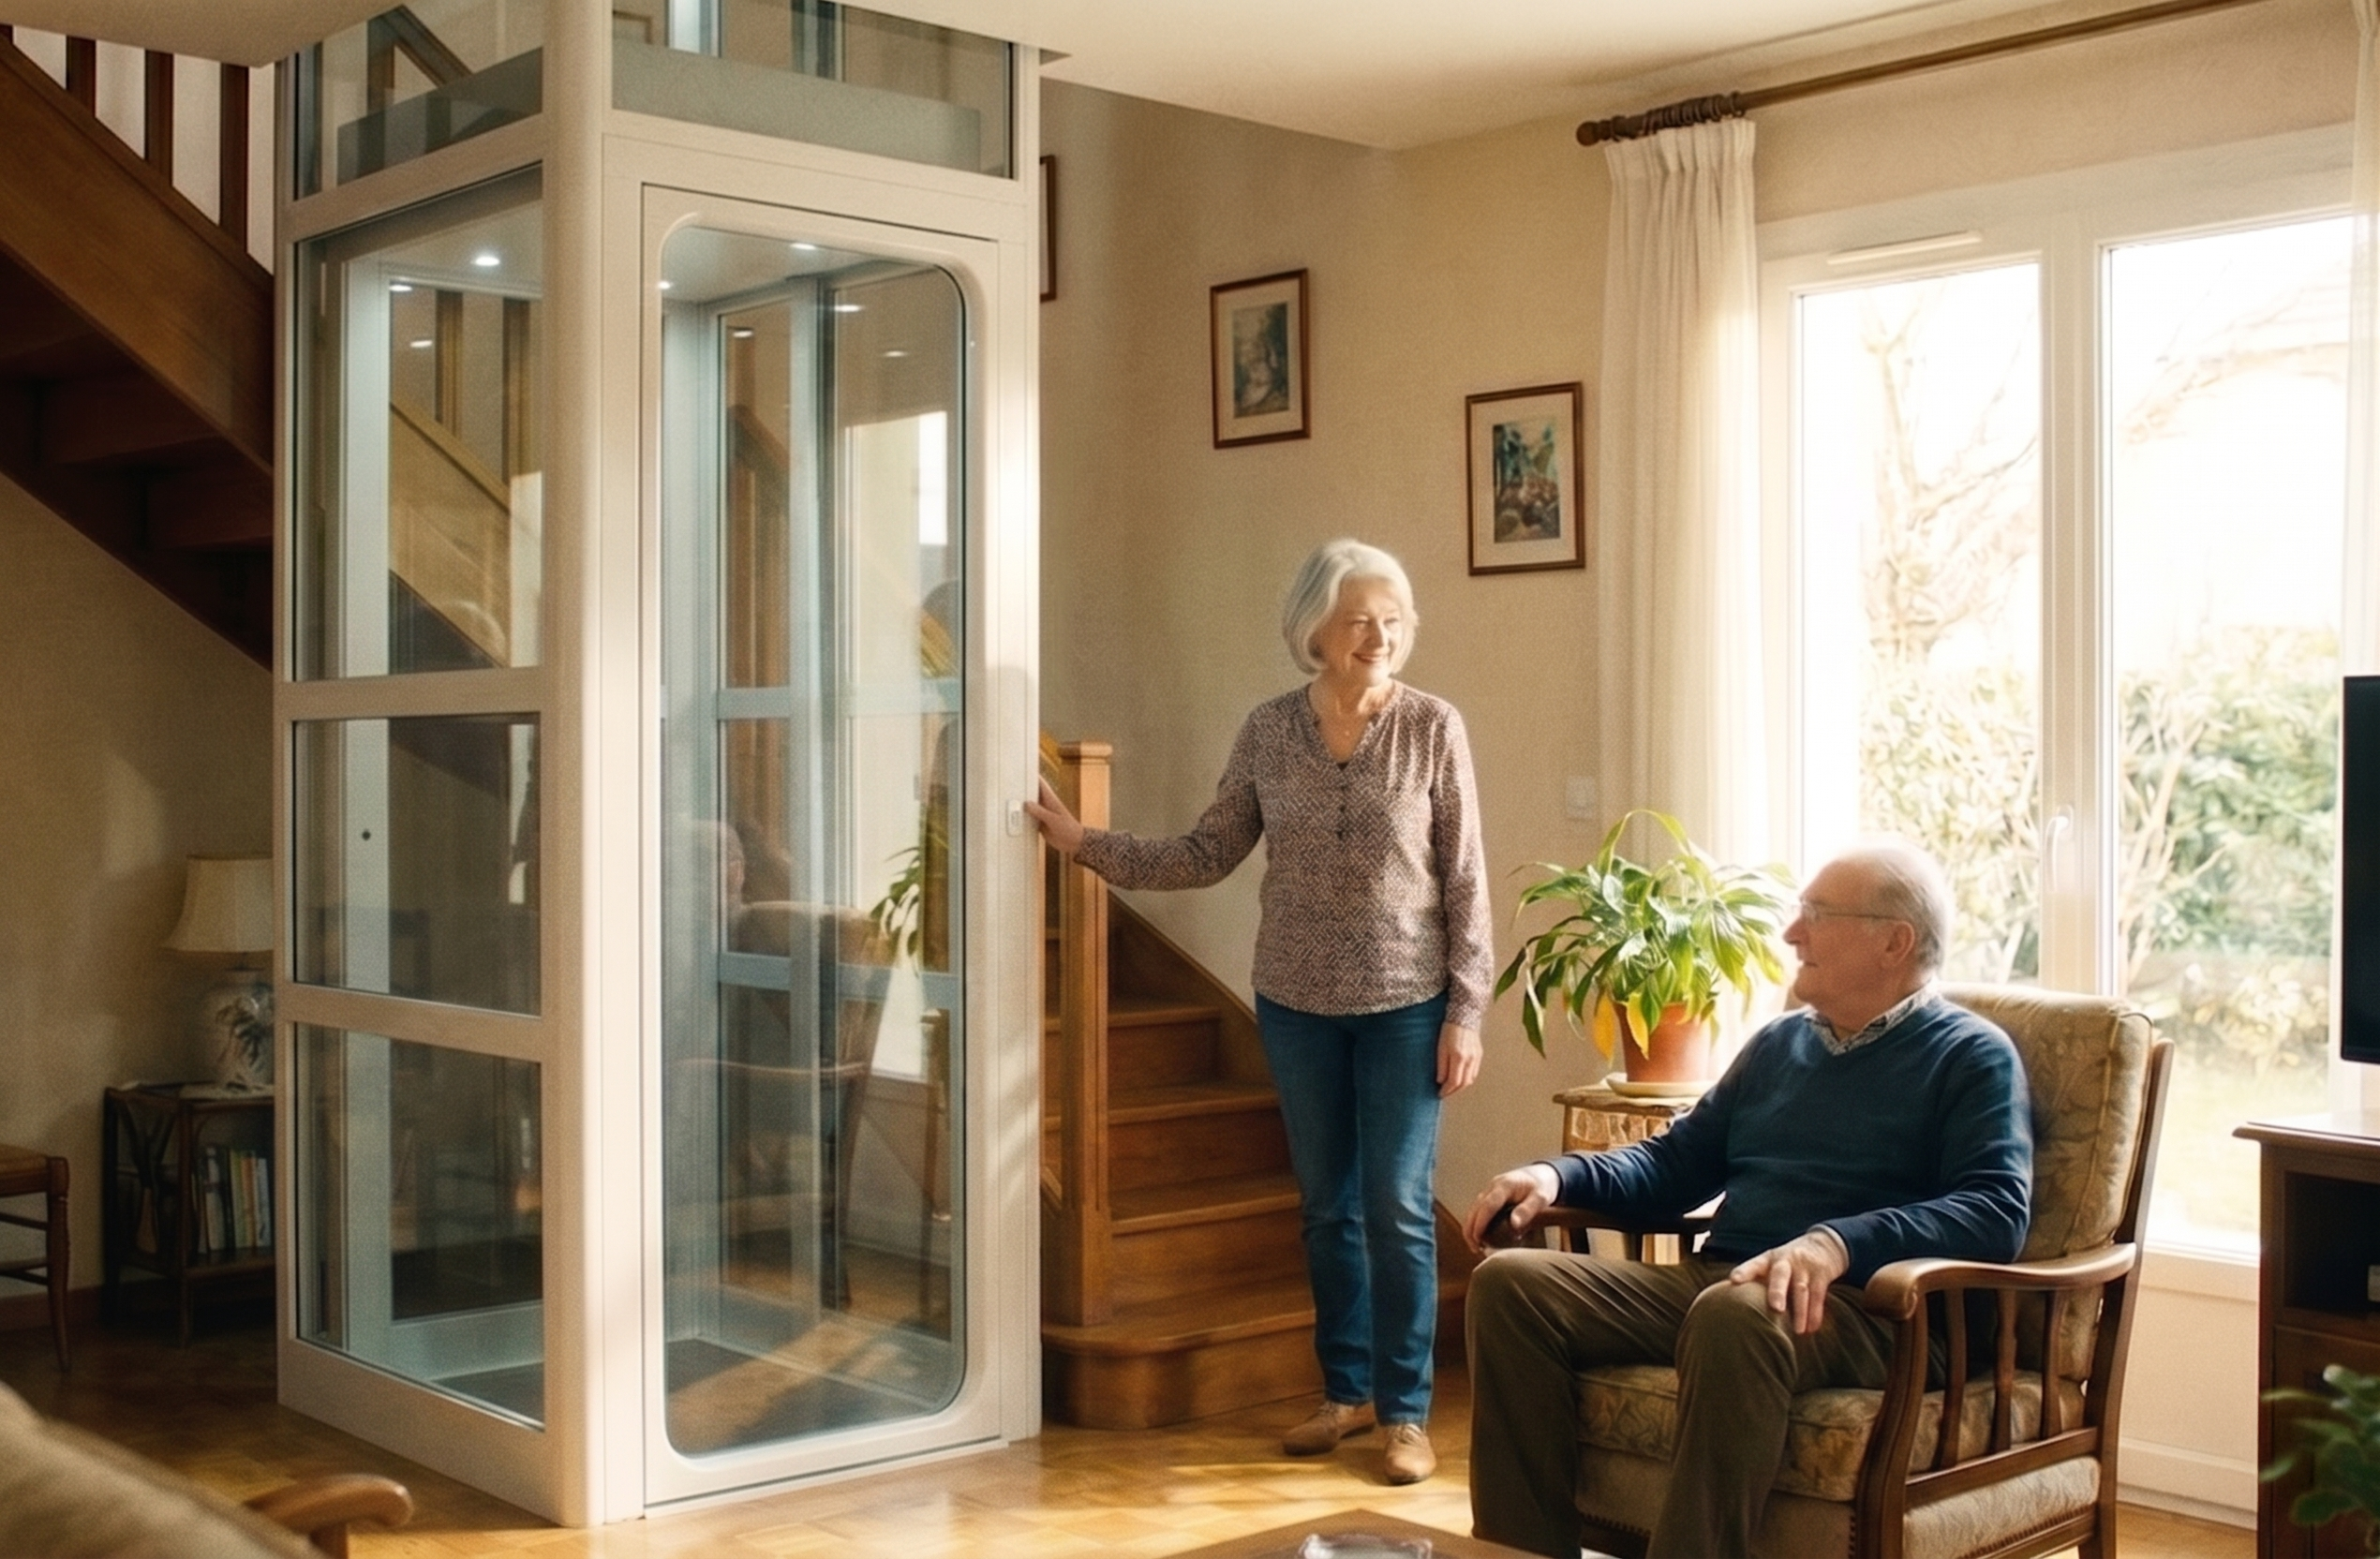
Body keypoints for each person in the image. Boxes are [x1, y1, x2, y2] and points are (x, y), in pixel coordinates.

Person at [1027, 538, 1492, 1486]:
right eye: (1361, 617)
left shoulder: (1432, 728)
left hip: (1407, 1002)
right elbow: (1207, 851)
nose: (1382, 633)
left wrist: (1467, 1011)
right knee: (1325, 1208)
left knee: (1397, 1206)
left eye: (1394, 616)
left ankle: (1406, 1412)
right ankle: (1344, 1391)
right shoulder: (1269, 729)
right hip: (1292, 1001)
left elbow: (1466, 881)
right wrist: (1084, 842)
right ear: (1313, 628)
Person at [1460, 840, 2031, 1558]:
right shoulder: (1779, 1045)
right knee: (1513, 1285)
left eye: (1818, 915)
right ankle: (1520, 1553)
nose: (1793, 933)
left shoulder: (1971, 1056)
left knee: (1737, 1312)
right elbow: (1676, 1165)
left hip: (1874, 1314)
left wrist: (1837, 1242)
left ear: (1895, 941)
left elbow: (1996, 1210)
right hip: (1729, 1284)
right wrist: (1555, 1178)